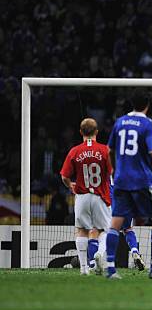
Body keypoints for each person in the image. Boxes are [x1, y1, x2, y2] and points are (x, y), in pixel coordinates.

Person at [105, 92, 152, 279]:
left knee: (117, 222)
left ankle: (110, 269)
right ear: (147, 106)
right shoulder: (148, 123)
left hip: (120, 180)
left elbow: (109, 150)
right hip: (142, 180)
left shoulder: (119, 122)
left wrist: (115, 168)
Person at [60, 118, 112, 275]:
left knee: (82, 230)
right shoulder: (105, 150)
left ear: (81, 132)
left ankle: (83, 269)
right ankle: (99, 254)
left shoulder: (74, 151)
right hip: (100, 196)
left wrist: (70, 185)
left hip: (82, 196)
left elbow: (64, 176)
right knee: (104, 230)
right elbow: (111, 172)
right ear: (96, 132)